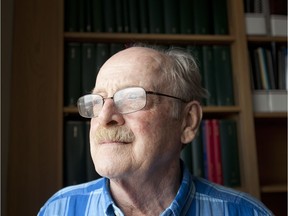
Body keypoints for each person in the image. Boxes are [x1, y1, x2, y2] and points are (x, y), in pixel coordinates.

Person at [38, 45, 273, 216]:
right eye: (97, 101)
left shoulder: (247, 213)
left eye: (130, 98)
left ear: (187, 121)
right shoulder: (58, 209)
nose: (105, 117)